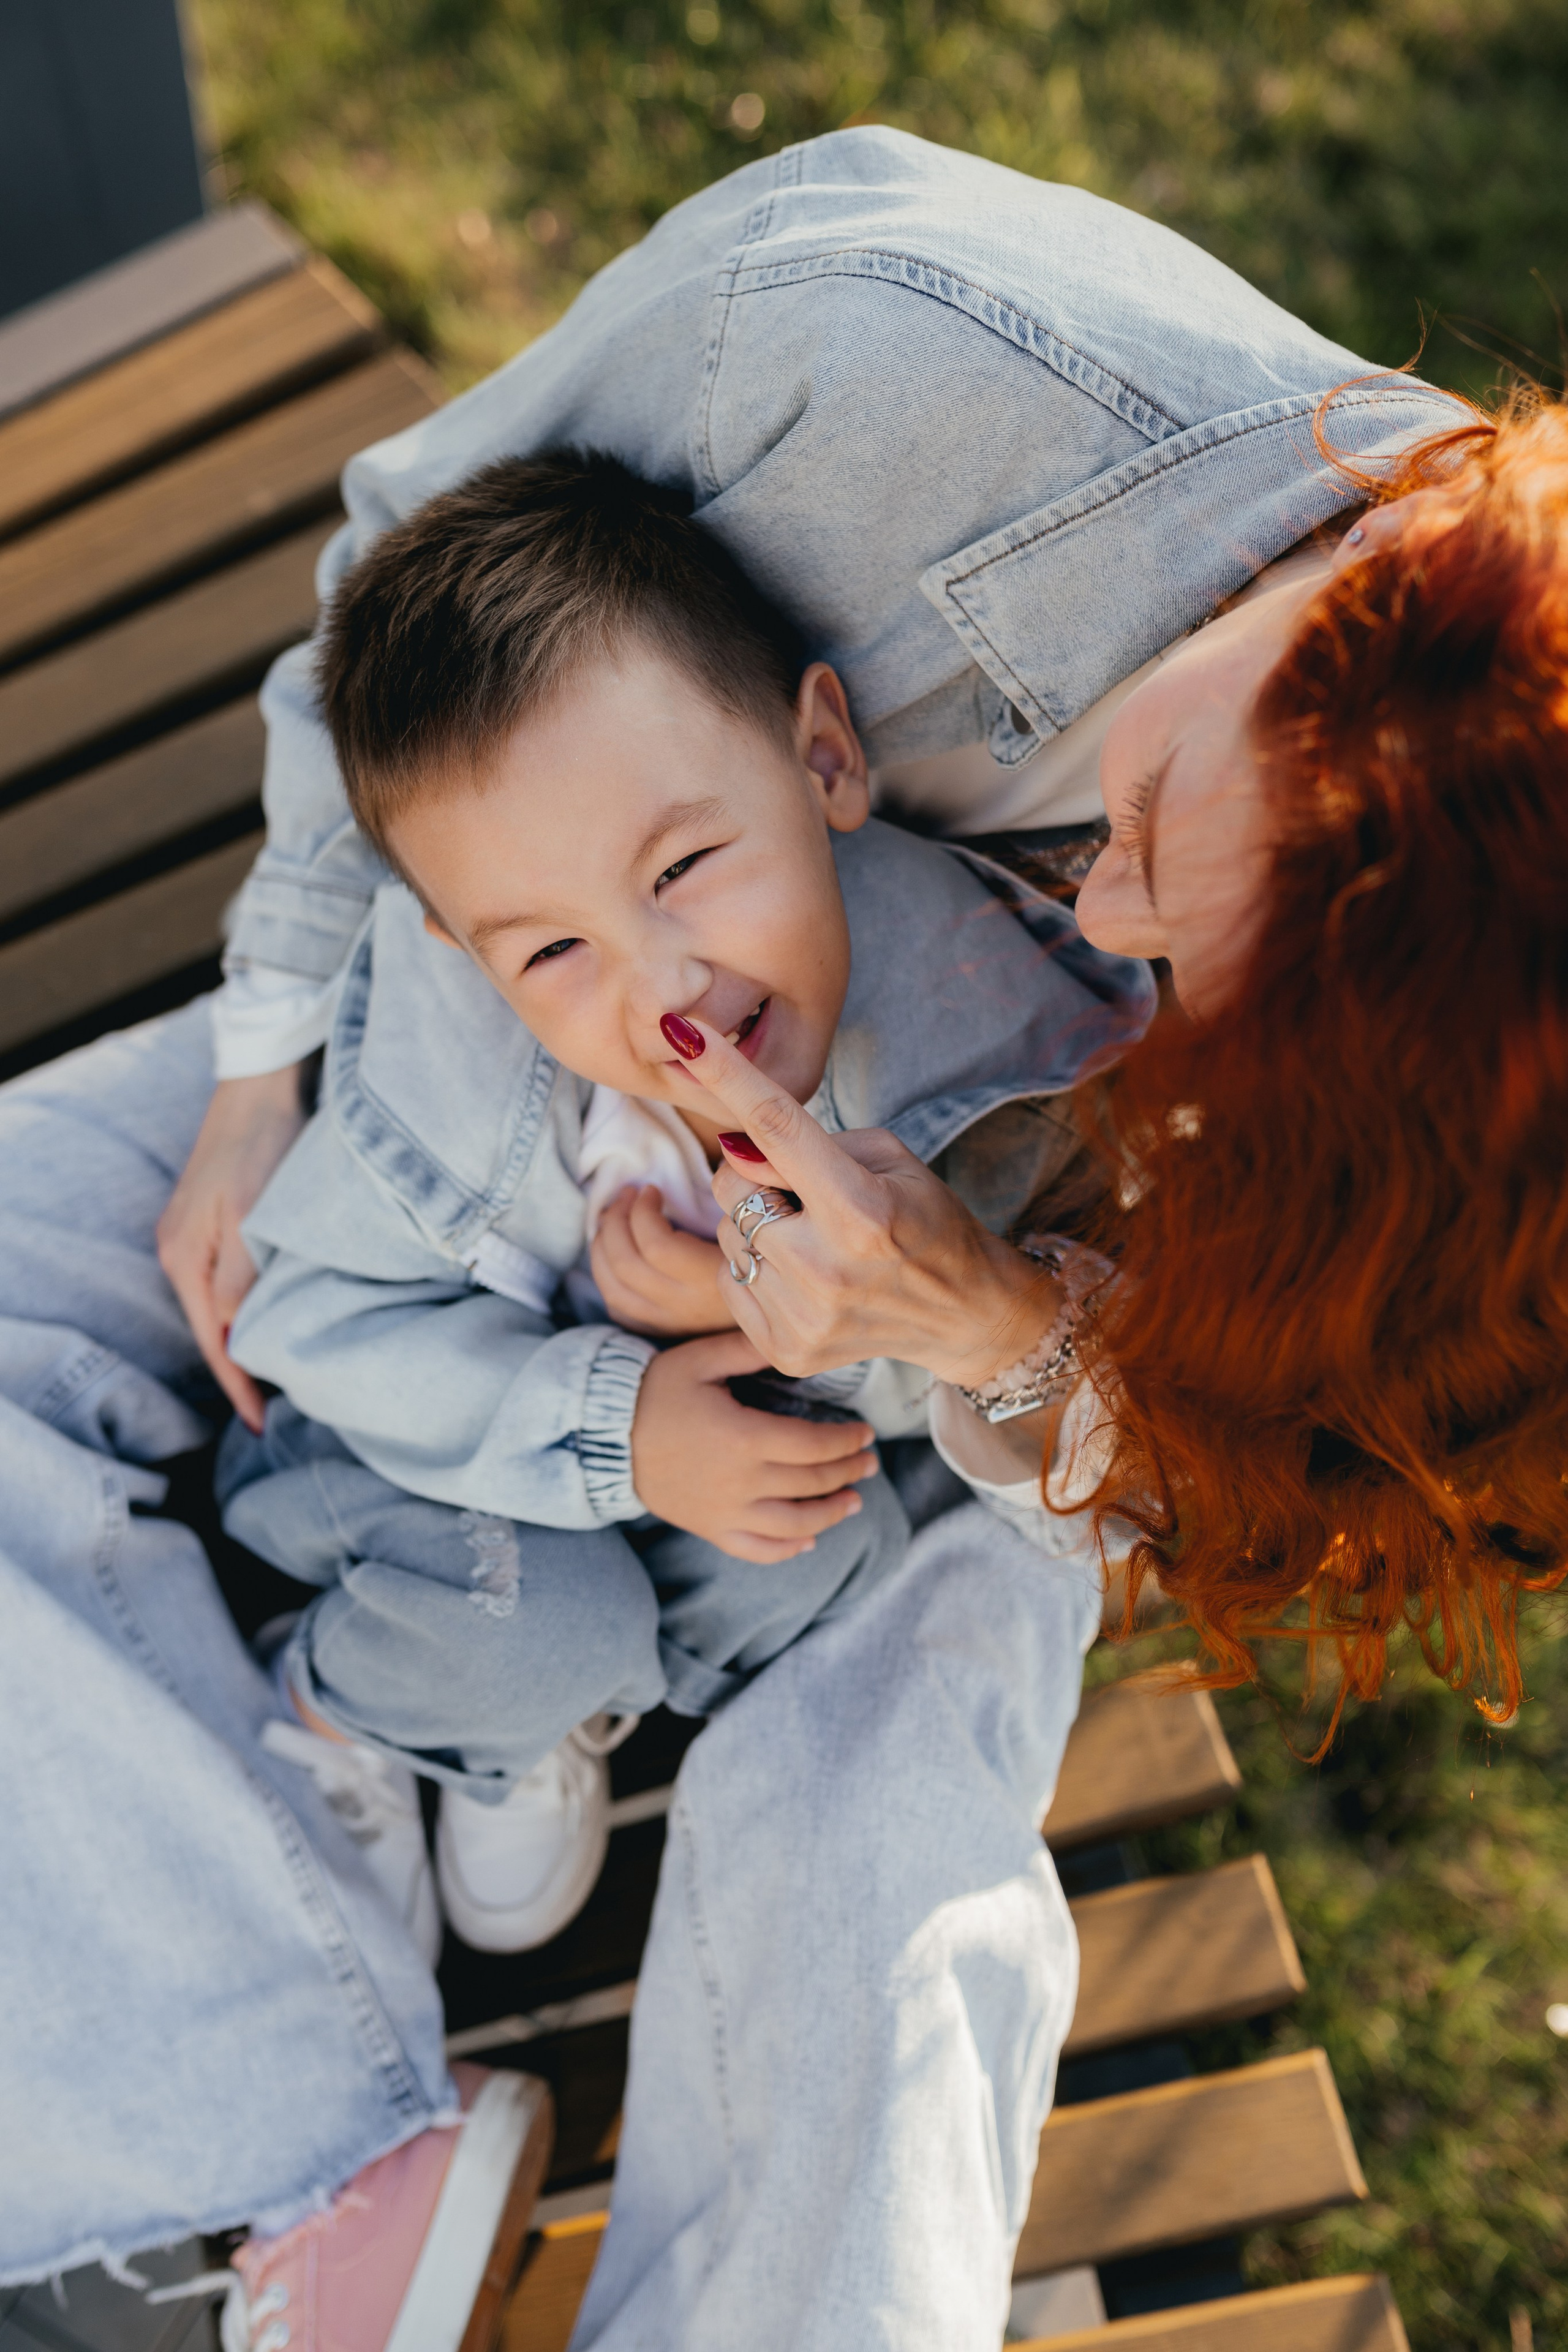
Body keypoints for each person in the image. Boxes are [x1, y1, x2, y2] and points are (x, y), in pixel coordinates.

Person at [1, 123, 1499, 2351]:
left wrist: (984, 1320)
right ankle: (294, 2131)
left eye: (1195, 971)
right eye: (1170, 825)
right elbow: (401, 619)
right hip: (475, 1059)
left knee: (881, 1899)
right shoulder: (875, 347)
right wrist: (260, 1067)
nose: (1098, 923)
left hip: (949, 1417)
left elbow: (1205, 1480)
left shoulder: (1416, 1124)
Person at [213, 446, 1151, 1959]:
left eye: (688, 865)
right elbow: (317, 1327)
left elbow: (992, 1380)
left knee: (833, 1546)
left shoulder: (987, 1048)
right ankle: (344, 1708)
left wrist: (750, 1314)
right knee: (544, 1626)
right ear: (466, 955)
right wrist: (618, 1422)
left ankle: (563, 1696)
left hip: (670, 1494)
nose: (660, 991)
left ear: (823, 762)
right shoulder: (457, 1060)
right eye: (550, 952)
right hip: (417, 1442)